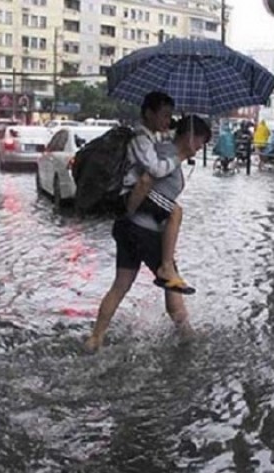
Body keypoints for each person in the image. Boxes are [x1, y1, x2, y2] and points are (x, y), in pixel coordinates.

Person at [85, 115, 212, 352]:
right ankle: (187, 337)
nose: (202, 147)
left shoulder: (166, 154)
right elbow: (145, 181)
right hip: (145, 230)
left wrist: (127, 215)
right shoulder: (165, 156)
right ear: (190, 137)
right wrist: (132, 210)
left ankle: (95, 338)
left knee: (121, 284)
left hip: (126, 228)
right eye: (201, 141)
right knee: (172, 281)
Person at [121, 92, 196, 295]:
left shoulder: (152, 136)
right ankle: (166, 267)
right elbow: (154, 170)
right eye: (164, 115)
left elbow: (168, 138)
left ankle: (99, 329)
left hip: (138, 196)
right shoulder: (140, 138)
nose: (167, 120)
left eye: (170, 115)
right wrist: (180, 156)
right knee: (175, 211)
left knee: (120, 286)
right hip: (132, 194)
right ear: (148, 113)